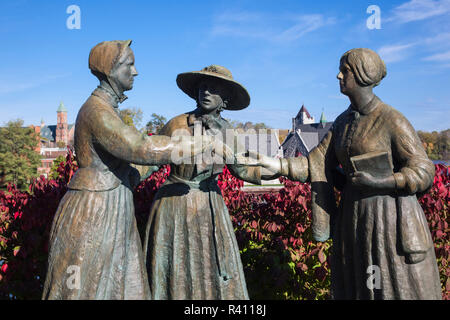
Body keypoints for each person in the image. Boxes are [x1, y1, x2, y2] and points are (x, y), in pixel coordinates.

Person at [251, 48, 442, 299]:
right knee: (356, 287)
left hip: (389, 220)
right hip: (353, 219)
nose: (339, 76)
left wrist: (384, 181)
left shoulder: (392, 120)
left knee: (390, 288)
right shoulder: (342, 123)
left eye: (345, 71)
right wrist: (277, 165)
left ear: (363, 75)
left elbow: (423, 169)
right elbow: (316, 163)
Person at [42, 41, 219, 300]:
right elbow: (140, 147)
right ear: (110, 69)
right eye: (129, 65)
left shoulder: (109, 109)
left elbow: (130, 168)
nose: (135, 72)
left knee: (127, 287)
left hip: (114, 206)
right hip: (95, 211)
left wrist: (158, 161)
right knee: (86, 289)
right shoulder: (97, 112)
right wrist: (196, 143)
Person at [144, 65, 266, 300]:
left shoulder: (227, 130)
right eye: (202, 87)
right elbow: (151, 158)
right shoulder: (177, 124)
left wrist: (278, 169)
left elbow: (242, 168)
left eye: (213, 88)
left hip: (210, 206)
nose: (206, 92)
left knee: (210, 269)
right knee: (177, 270)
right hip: (175, 206)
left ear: (225, 97)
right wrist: (125, 175)